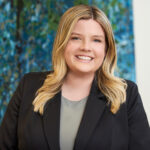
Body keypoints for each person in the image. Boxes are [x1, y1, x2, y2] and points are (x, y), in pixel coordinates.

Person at [0, 4, 150, 150]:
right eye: (76, 38)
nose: (85, 47)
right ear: (63, 42)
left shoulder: (126, 94)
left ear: (106, 48)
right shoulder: (29, 86)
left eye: (96, 40)